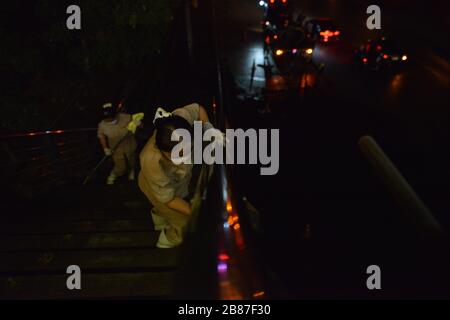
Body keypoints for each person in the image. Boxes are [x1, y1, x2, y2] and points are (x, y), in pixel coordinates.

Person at [138, 103, 212, 249]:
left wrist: (209, 129)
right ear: (162, 150)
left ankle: (160, 219)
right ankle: (168, 238)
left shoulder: (179, 118)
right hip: (156, 186)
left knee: (177, 200)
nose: (186, 155)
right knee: (185, 223)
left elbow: (198, 109)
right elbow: (169, 198)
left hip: (177, 180)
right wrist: (198, 214)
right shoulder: (151, 161)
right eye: (179, 154)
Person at [97, 102, 138, 185]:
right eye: (105, 118)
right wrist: (105, 148)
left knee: (132, 160)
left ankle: (132, 171)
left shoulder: (125, 117)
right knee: (120, 165)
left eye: (110, 117)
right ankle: (114, 174)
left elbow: (138, 123)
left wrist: (138, 124)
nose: (108, 120)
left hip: (129, 144)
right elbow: (101, 136)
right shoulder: (102, 125)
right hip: (116, 148)